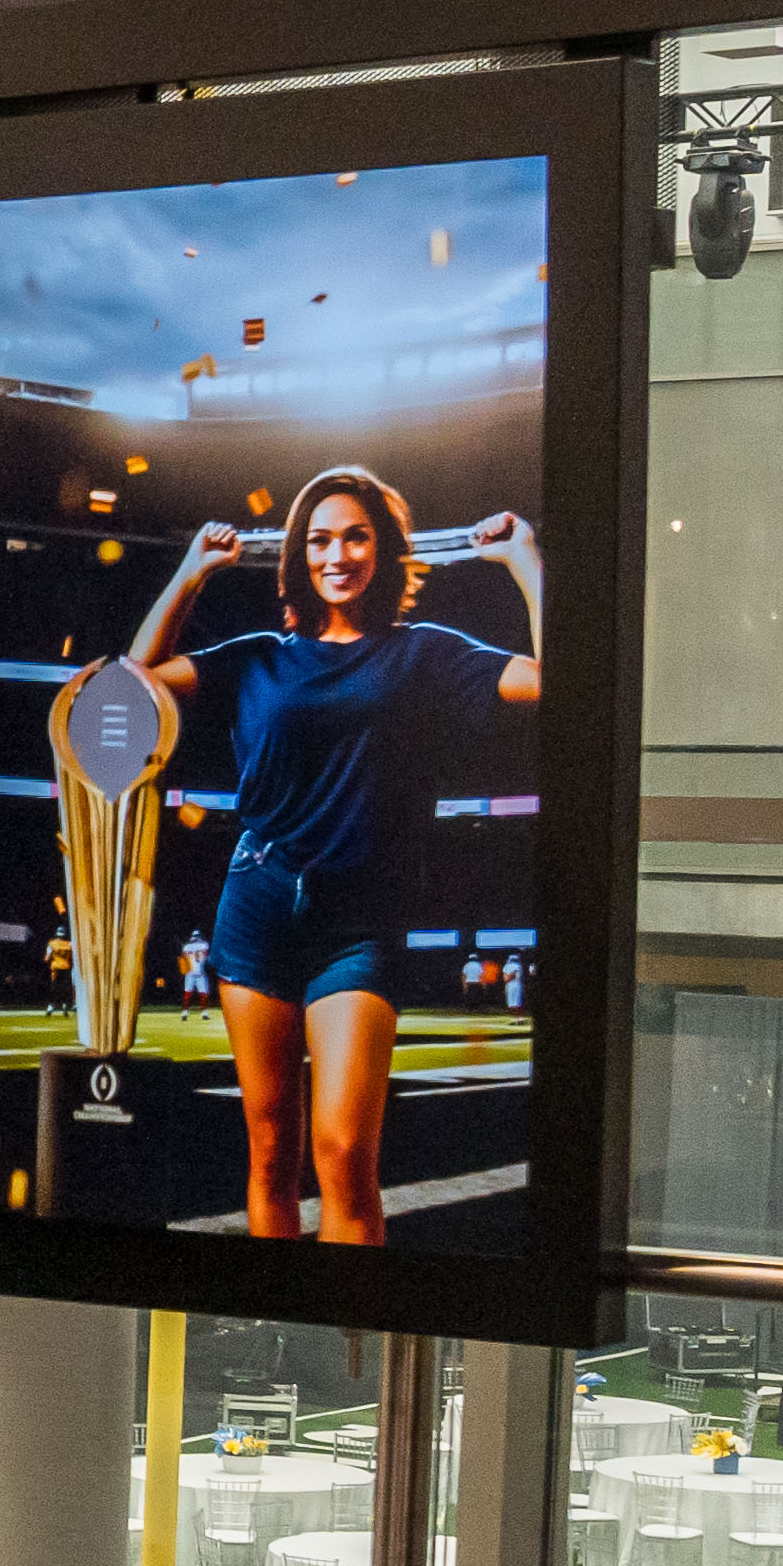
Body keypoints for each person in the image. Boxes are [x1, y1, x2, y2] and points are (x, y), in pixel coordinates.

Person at [119, 467, 543, 1242]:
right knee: (270, 1149)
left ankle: (355, 1327)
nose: (337, 554)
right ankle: (277, 1321)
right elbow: (129, 688)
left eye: (355, 536)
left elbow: (557, 682)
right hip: (256, 906)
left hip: (361, 922)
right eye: (319, 540)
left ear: (382, 550)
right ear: (298, 556)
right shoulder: (256, 657)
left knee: (345, 1151)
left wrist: (527, 563)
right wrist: (189, 573)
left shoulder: (425, 654)